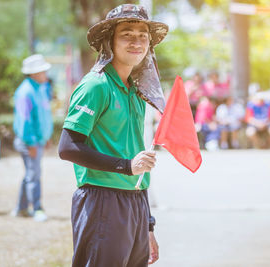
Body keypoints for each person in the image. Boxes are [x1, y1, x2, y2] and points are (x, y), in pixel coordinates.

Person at [58, 4, 168, 266]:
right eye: (127, 34)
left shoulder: (137, 91)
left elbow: (136, 163)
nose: (136, 41)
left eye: (143, 35)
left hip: (135, 203)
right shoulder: (96, 85)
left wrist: (148, 225)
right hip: (102, 201)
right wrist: (126, 166)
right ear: (109, 42)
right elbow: (68, 147)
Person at [12, 54, 53, 222]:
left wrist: (46, 137)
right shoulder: (25, 92)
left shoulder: (40, 89)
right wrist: (31, 142)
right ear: (34, 73)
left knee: (31, 174)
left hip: (38, 141)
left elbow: (43, 116)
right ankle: (37, 208)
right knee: (34, 174)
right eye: (42, 71)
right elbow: (24, 121)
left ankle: (21, 208)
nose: (45, 74)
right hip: (29, 142)